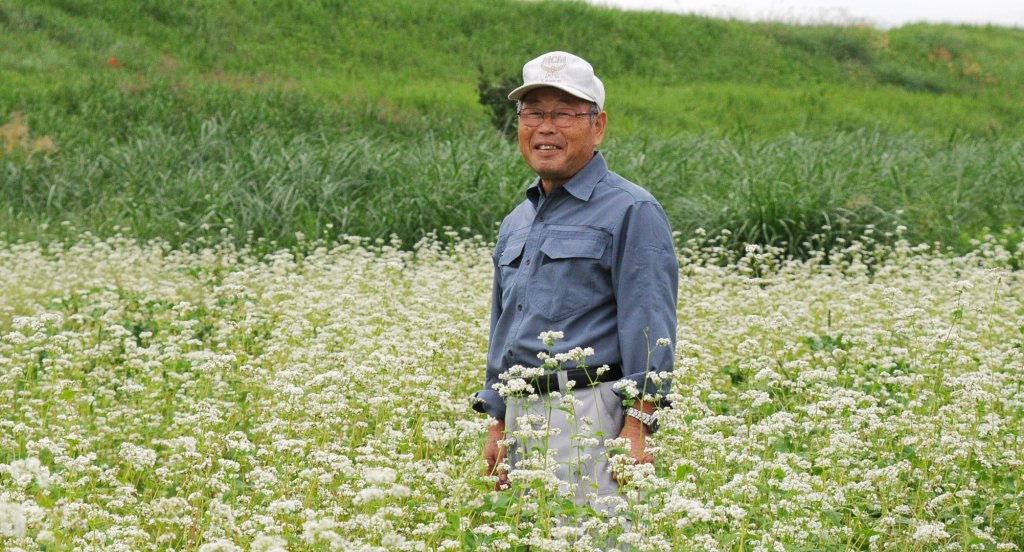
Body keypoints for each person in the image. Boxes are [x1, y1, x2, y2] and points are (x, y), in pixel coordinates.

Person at [472, 51, 679, 507]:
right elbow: (503, 330)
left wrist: (639, 426)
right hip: (521, 415)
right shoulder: (517, 221)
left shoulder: (632, 210)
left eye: (564, 113)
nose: (546, 127)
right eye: (533, 112)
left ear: (598, 125)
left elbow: (651, 326)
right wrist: (497, 422)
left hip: (591, 414)